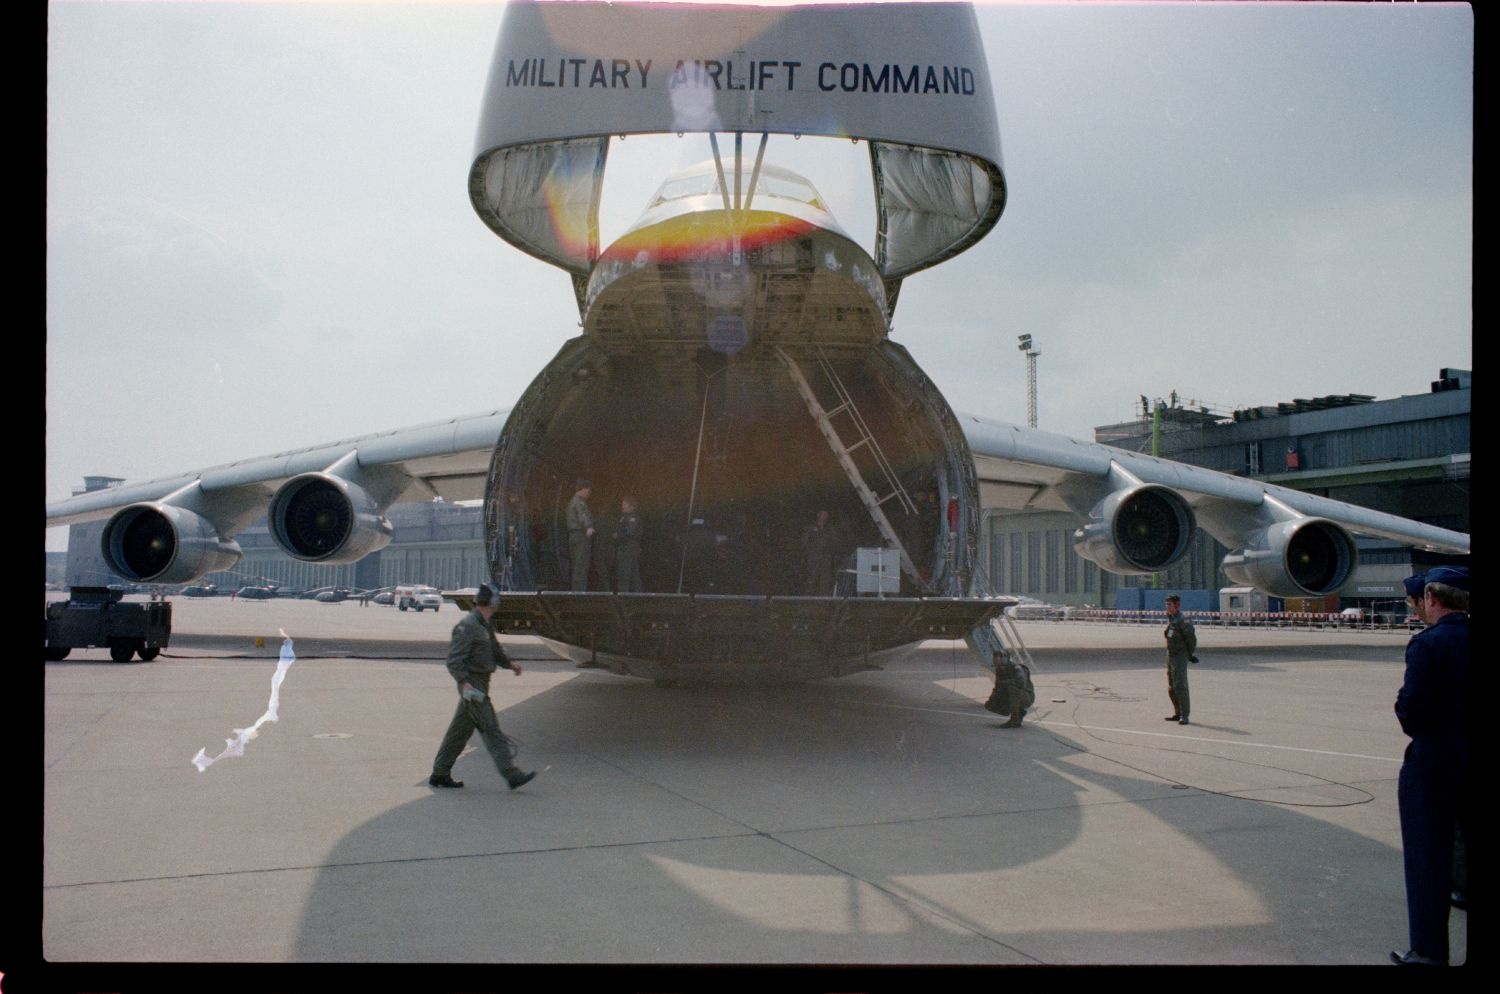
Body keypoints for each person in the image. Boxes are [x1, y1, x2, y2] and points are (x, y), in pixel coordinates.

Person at [1391, 565, 1469, 966]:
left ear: (1433, 599)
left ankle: (1428, 952)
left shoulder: (1429, 645)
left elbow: (1411, 712)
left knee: (1428, 860)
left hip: (1435, 763)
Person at [428, 581, 536, 791]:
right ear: (493, 601)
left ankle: (439, 773)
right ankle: (512, 775)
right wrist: (465, 684)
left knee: (458, 733)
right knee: (491, 730)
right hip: (473, 686)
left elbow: (494, 650)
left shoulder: (484, 624)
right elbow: (454, 661)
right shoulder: (468, 626)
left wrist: (510, 664)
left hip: (481, 682)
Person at [1162, 593, 1197, 725]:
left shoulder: (1183, 619)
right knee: (1171, 686)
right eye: (1166, 604)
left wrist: (1190, 654)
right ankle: (1177, 712)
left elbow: (1191, 639)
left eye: (1169, 604)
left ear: (1177, 605)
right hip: (1171, 655)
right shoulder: (1172, 618)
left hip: (1180, 655)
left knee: (1180, 685)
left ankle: (1184, 715)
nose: (1167, 606)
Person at [983, 650, 1035, 728]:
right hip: (1016, 694)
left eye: (996, 657)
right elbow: (998, 687)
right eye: (994, 657)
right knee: (991, 704)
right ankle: (1020, 712)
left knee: (1012, 689)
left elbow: (1020, 683)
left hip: (1026, 697)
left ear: (1004, 658)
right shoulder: (999, 670)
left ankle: (1014, 720)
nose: (994, 659)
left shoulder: (1017, 668)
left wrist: (1006, 682)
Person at [566, 478, 595, 592]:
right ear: (583, 489)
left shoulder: (570, 502)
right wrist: (589, 527)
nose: (588, 494)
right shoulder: (579, 502)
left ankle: (576, 591)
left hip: (573, 536)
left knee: (576, 565)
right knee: (581, 566)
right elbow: (583, 515)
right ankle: (579, 593)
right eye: (588, 491)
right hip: (580, 536)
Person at [801, 510, 837, 596]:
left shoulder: (830, 529)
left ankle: (823, 600)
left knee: (825, 579)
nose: (825, 516)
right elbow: (804, 542)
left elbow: (834, 542)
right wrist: (811, 551)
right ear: (818, 515)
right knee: (811, 578)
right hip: (813, 557)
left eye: (826, 514)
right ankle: (807, 598)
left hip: (826, 558)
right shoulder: (810, 528)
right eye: (823, 514)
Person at [615, 496, 643, 593]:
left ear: (632, 507)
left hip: (628, 550)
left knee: (625, 574)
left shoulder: (632, 518)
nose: (623, 507)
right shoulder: (624, 517)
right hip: (626, 549)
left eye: (625, 505)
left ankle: (624, 596)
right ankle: (637, 596)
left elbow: (629, 533)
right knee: (634, 575)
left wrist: (618, 536)